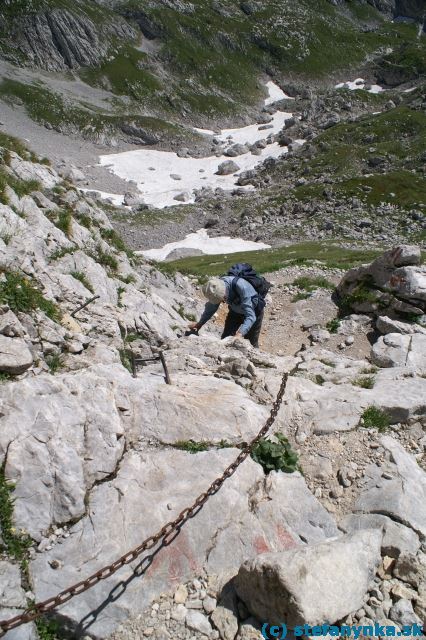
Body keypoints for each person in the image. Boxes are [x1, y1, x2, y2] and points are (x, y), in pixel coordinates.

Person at [188, 275, 265, 348]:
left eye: (222, 299)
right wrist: (199, 324)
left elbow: (251, 316)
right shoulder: (216, 289)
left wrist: (239, 334)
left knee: (251, 343)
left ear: (224, 293)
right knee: (225, 339)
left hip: (253, 312)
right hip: (235, 312)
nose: (222, 302)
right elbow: (211, 309)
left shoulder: (242, 287)